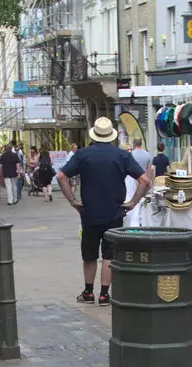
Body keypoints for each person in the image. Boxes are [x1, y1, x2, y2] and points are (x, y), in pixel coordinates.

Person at [57, 117, 150, 305]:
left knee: (89, 255)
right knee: (109, 255)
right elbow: (145, 180)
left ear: (95, 135)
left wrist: (73, 201)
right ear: (111, 135)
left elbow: (61, 176)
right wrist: (133, 202)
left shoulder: (82, 155)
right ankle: (105, 294)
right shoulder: (122, 155)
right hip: (115, 212)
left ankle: (88, 292)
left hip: (89, 212)